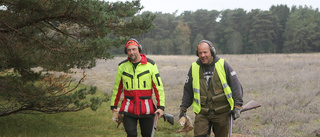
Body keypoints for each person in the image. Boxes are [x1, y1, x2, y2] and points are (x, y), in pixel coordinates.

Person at [179, 40, 243, 137]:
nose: (203, 55)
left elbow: (236, 86)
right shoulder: (194, 67)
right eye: (200, 53)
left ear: (212, 52)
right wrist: (183, 109)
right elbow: (188, 91)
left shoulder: (223, 64)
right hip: (202, 113)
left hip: (222, 113)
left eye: (205, 52)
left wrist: (237, 106)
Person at [110, 38, 165, 137]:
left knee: (147, 134)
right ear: (126, 52)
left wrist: (161, 107)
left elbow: (158, 87)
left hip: (147, 109)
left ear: (139, 49)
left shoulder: (151, 65)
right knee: (131, 134)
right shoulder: (122, 66)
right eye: (129, 50)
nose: (131, 52)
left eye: (134, 49)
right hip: (128, 108)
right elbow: (117, 87)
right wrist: (113, 106)